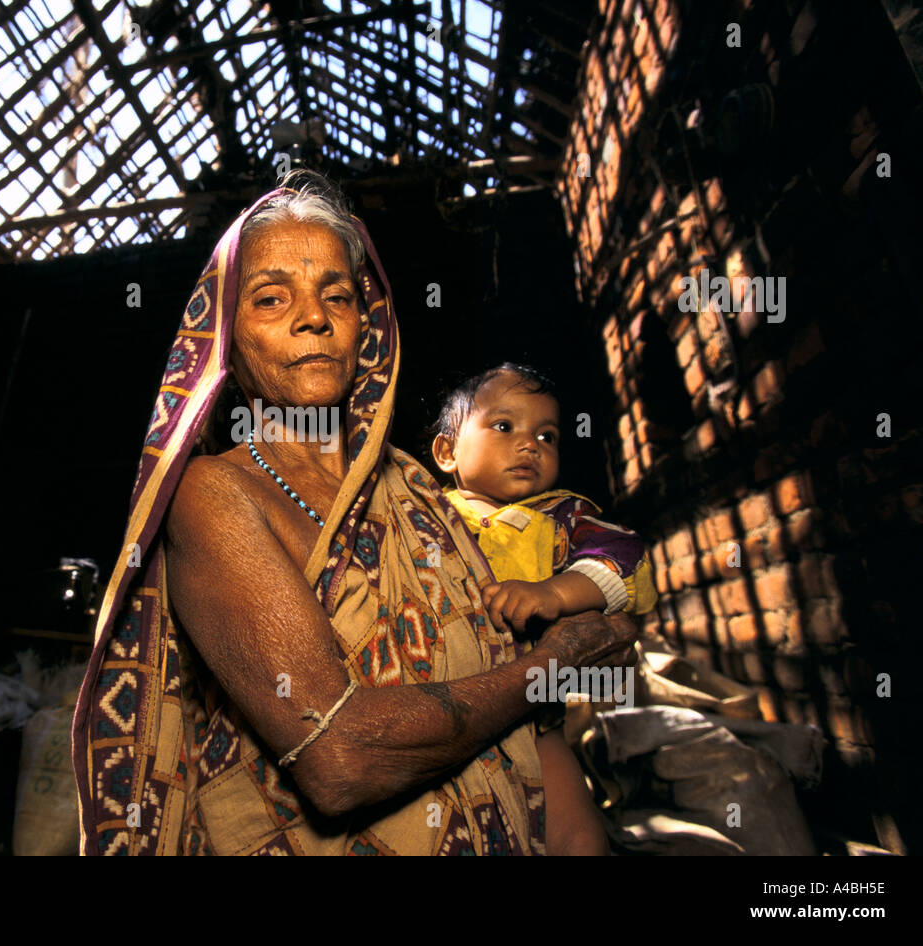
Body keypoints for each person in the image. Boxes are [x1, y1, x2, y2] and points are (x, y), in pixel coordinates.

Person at [71, 170, 638, 855]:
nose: (314, 317)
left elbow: (523, 711)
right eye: (271, 298)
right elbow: (340, 757)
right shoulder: (214, 494)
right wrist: (551, 665)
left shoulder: (418, 491)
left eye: (336, 294)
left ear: (365, 326)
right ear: (227, 335)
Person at [430, 363, 660, 852]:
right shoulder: (423, 513)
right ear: (447, 452)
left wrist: (557, 592)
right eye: (505, 426)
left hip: (534, 719)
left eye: (548, 435)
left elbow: (628, 563)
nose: (530, 444)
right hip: (436, 714)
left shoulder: (561, 517)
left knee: (580, 840)